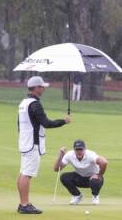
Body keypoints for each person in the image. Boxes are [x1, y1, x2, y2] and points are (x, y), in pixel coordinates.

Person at [17, 76, 71, 214]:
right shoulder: (35, 104)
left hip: (24, 141)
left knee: (23, 173)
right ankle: (24, 205)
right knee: (27, 174)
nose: (43, 89)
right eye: (41, 87)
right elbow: (46, 123)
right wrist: (63, 121)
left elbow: (20, 125)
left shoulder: (24, 102)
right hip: (32, 143)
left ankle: (23, 203)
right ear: (36, 88)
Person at [54, 139, 108, 205]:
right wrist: (61, 155)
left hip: (94, 178)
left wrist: (99, 175)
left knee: (95, 180)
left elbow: (104, 162)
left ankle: (95, 196)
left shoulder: (90, 155)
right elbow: (57, 169)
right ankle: (77, 196)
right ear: (74, 150)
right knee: (64, 177)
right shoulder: (69, 155)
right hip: (80, 178)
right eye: (77, 149)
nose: (79, 151)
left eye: (81, 149)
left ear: (85, 149)